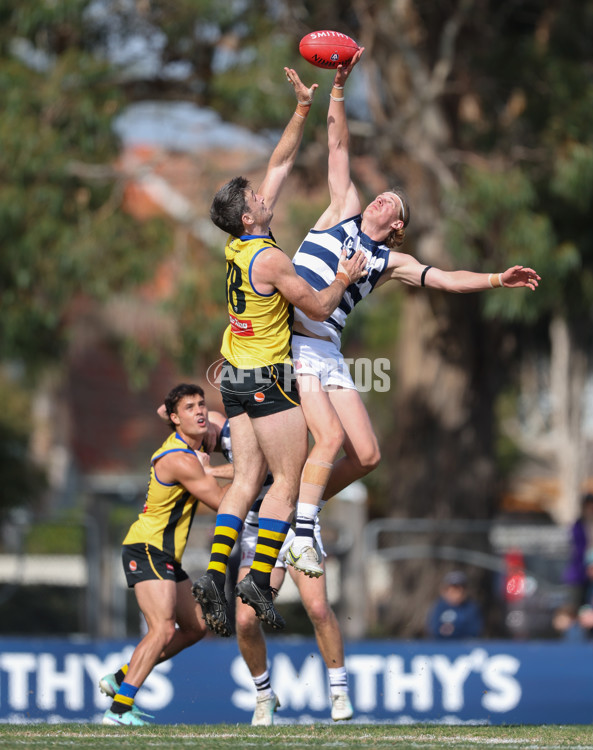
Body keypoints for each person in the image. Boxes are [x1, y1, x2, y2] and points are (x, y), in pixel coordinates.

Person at [284, 50, 542, 574]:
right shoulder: (342, 210)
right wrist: (338, 88)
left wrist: (497, 277)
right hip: (295, 337)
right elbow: (337, 144)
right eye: (382, 196)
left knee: (368, 455)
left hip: (326, 347)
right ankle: (300, 529)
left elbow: (445, 279)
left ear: (399, 225)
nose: (381, 200)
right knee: (330, 439)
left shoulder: (389, 260)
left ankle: (293, 505)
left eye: (392, 204)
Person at [192, 65, 367, 638]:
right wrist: (341, 279)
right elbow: (316, 309)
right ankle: (258, 577)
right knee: (287, 482)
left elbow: (280, 164)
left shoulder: (236, 247)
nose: (265, 196)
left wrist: (300, 109)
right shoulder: (270, 259)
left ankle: (217, 578)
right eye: (256, 199)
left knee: (244, 482)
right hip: (266, 379)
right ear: (250, 216)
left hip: (233, 381)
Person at [206, 410, 353, 725]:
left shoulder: (251, 420)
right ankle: (264, 695)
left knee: (317, 608)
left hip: (292, 527)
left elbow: (255, 471)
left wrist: (210, 470)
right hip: (255, 534)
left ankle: (338, 690)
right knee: (245, 620)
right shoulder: (209, 437)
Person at [100, 383, 230, 727]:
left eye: (202, 404)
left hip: (165, 555)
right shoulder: (179, 460)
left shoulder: (191, 443)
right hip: (147, 547)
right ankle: (118, 710)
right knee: (162, 629)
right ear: (175, 419)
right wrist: (262, 479)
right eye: (189, 408)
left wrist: (196, 428)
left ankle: (121, 677)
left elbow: (164, 411)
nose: (200, 411)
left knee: (195, 627)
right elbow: (221, 503)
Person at [562, 492, 593, 607]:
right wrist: (588, 567)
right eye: (588, 505)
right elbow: (577, 551)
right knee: (578, 605)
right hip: (581, 573)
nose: (591, 508)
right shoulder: (578, 525)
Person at [425, 570, 483, 639]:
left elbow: (474, 630)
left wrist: (454, 630)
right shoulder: (439, 606)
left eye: (459, 589)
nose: (456, 593)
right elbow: (434, 629)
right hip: (441, 646)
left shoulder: (471, 607)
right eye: (452, 589)